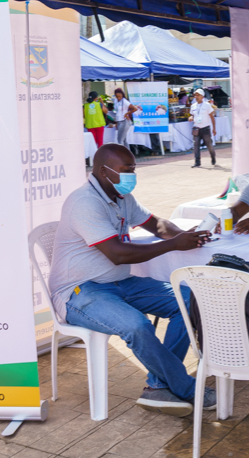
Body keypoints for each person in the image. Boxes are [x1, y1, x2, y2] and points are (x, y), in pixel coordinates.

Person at [48, 144, 215, 416]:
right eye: (127, 171)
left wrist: (186, 235)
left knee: (190, 300)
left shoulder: (120, 196)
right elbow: (118, 253)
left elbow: (156, 224)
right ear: (104, 172)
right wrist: (174, 245)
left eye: (134, 169)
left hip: (120, 284)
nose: (132, 176)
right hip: (79, 292)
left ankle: (159, 386)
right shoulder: (84, 202)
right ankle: (185, 388)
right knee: (137, 326)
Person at [189, 88, 217, 168]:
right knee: (196, 145)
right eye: (195, 95)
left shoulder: (207, 105)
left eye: (198, 95)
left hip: (205, 128)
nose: (196, 96)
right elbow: (192, 115)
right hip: (196, 128)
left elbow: (212, 117)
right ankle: (197, 162)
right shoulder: (193, 106)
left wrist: (214, 128)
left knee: (209, 145)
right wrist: (191, 117)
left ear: (202, 96)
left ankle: (213, 157)